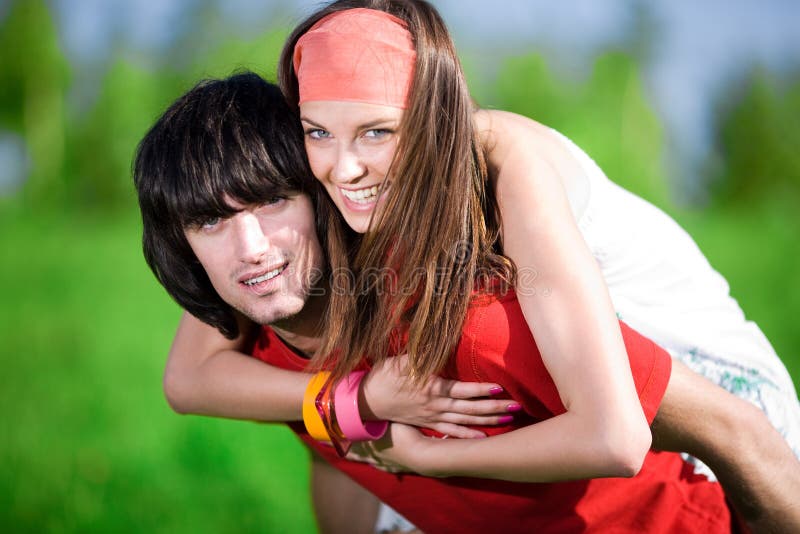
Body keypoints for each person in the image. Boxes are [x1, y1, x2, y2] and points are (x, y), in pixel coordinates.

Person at [133, 72, 800, 533]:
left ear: (325, 192)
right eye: (210, 223)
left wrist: (427, 455)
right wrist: (353, 403)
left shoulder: (480, 320)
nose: (250, 247)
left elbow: (737, 433)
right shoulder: (257, 333)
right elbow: (199, 386)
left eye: (272, 201)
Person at [274, 0, 800, 476]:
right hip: (582, 389)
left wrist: (427, 457)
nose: (343, 169)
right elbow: (192, 376)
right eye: (318, 131)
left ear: (434, 117)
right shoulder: (348, 190)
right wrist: (355, 398)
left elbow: (615, 437)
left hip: (716, 400)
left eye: (377, 131)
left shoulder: (510, 169)